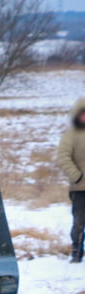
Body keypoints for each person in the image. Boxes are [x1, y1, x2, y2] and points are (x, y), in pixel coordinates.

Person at [58, 97, 85, 263]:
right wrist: (77, 176)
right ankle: (77, 251)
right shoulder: (70, 136)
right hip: (80, 187)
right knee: (80, 222)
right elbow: (63, 158)